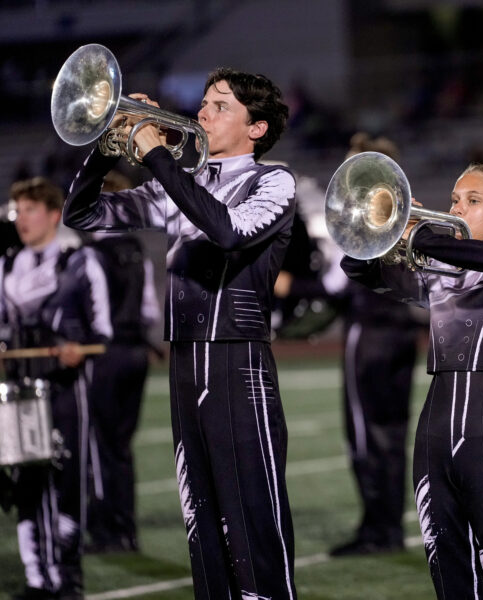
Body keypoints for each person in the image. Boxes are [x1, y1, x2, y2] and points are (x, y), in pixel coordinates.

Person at [62, 69, 298, 599]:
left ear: (255, 129)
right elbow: (81, 213)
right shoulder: (180, 186)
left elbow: (227, 231)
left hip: (238, 366)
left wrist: (159, 157)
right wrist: (109, 143)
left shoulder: (273, 181)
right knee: (202, 524)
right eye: (205, 102)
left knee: (252, 520)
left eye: (220, 106)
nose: (202, 114)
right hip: (185, 366)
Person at [341, 162, 483, 599]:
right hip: (433, 444)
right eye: (455, 200)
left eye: (473, 201)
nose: (457, 209)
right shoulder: (440, 273)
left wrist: (422, 236)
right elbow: (355, 265)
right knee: (451, 587)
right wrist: (389, 232)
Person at [0, 176, 112, 600]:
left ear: (52, 214)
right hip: (21, 390)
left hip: (66, 390)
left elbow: (103, 331)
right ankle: (37, 578)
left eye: (30, 210)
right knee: (26, 483)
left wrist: (77, 351)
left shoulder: (81, 261)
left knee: (66, 484)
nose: (21, 219)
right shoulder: (7, 265)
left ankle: (69, 577)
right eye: (17, 211)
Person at [328, 133, 423, 557]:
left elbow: (335, 282)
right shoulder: (408, 211)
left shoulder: (355, 216)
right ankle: (390, 528)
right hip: (403, 329)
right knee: (394, 434)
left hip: (368, 332)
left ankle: (376, 529)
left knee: (365, 434)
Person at [84, 191, 161, 553]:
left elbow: (96, 317)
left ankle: (107, 531)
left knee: (101, 445)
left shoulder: (92, 253)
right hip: (137, 352)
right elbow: (148, 309)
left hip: (106, 354)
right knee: (121, 447)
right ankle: (126, 529)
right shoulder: (137, 249)